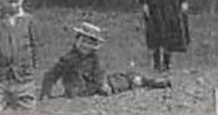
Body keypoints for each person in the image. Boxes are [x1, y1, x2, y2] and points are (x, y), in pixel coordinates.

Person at [39, 21, 171, 99]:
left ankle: (148, 81)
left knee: (125, 79)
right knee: (118, 81)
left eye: (90, 43)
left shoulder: (94, 58)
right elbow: (51, 75)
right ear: (76, 40)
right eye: (83, 41)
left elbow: (100, 71)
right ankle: (141, 80)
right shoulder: (67, 59)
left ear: (95, 46)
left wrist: (102, 83)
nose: (86, 46)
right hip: (81, 89)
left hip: (96, 85)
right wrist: (46, 93)